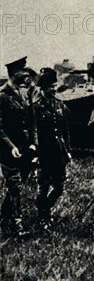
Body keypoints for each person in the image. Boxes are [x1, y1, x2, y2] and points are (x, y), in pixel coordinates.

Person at [0, 57, 38, 237]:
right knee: (14, 185)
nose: (26, 73)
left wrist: (33, 144)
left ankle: (3, 216)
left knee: (19, 183)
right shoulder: (2, 96)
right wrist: (10, 146)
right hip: (7, 150)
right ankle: (18, 226)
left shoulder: (24, 94)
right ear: (14, 73)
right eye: (23, 70)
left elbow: (32, 123)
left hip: (25, 148)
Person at [33, 68, 71, 229]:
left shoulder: (59, 104)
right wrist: (34, 152)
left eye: (55, 85)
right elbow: (33, 130)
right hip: (43, 151)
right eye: (50, 86)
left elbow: (65, 130)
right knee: (43, 185)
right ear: (43, 88)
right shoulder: (36, 107)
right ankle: (43, 217)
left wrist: (68, 150)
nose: (53, 89)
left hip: (57, 151)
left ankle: (45, 207)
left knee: (59, 185)